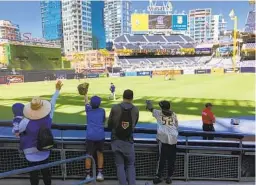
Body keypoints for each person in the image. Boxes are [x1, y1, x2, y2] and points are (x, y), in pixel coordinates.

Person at [18, 81, 63, 185]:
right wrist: (57, 91)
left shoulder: (26, 121)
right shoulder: (48, 118)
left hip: (29, 152)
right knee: (46, 174)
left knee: (33, 176)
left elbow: (19, 130)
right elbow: (52, 103)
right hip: (44, 150)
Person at [108, 89, 139, 185]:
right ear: (132, 98)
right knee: (130, 165)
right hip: (128, 141)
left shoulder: (115, 108)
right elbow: (135, 123)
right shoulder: (135, 109)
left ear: (123, 96)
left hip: (116, 140)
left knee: (120, 165)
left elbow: (109, 124)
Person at [146, 100, 178, 185]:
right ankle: (169, 177)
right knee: (172, 159)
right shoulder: (174, 114)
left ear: (162, 107)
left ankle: (159, 176)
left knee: (161, 159)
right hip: (174, 138)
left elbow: (150, 108)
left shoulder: (158, 113)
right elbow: (176, 126)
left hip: (163, 138)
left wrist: (148, 103)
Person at [84, 93, 106, 181]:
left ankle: (88, 175)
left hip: (90, 136)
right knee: (100, 154)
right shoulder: (102, 111)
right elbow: (104, 120)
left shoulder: (88, 109)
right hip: (100, 136)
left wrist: (85, 94)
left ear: (91, 104)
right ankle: (99, 174)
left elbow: (86, 102)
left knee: (88, 155)